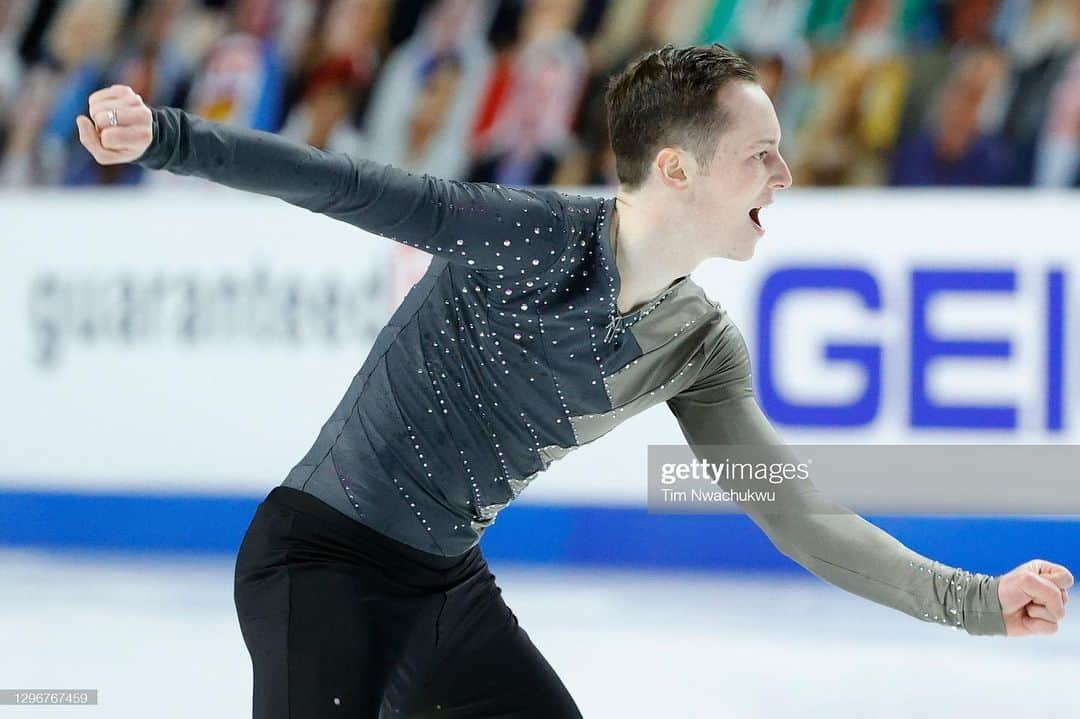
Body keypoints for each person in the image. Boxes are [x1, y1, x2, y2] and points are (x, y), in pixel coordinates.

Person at [75, 43, 1072, 719]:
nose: (786, 174)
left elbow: (797, 512)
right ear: (676, 171)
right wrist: (166, 136)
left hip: (444, 589)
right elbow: (346, 184)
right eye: (762, 155)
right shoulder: (530, 235)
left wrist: (973, 599)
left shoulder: (700, 345)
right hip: (318, 564)